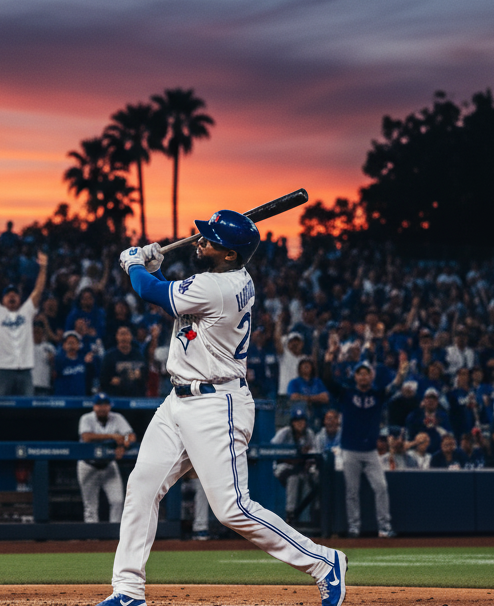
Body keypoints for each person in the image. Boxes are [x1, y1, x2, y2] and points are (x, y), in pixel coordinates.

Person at [99, 210, 347, 606]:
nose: (200, 241)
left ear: (231, 255)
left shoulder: (219, 286)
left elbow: (153, 294)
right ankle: (128, 589)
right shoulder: (228, 278)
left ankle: (324, 562)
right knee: (142, 487)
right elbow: (177, 296)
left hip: (216, 404)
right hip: (179, 400)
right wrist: (155, 269)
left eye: (210, 240)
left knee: (233, 508)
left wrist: (135, 265)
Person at [322, 348, 406, 540]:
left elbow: (395, 386)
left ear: (371, 376)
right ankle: (354, 528)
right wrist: (327, 361)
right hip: (350, 449)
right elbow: (328, 381)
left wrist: (401, 371)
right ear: (355, 376)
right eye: (359, 373)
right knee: (352, 492)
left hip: (370, 451)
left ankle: (384, 527)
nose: (363, 377)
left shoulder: (377, 394)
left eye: (366, 373)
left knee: (381, 487)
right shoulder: (346, 393)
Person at [0, 249, 48, 396]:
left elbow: (38, 290)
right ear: (3, 299)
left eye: (15, 295)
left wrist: (43, 267)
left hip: (25, 368)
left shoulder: (26, 311)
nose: (12, 296)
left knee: (27, 407)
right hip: (2, 368)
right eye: (8, 295)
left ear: (20, 299)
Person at [77, 392, 135, 523]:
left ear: (110, 406)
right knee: (90, 507)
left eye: (105, 404)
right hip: (88, 466)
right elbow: (86, 437)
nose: (102, 408)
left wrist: (123, 445)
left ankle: (115, 533)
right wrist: (113, 436)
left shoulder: (117, 418)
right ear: (94, 406)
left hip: (109, 465)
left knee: (117, 501)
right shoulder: (86, 418)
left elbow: (130, 436)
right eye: (99, 405)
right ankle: (92, 535)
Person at [271, 409, 319, 526]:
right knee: (294, 479)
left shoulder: (309, 434)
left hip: (301, 467)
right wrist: (289, 455)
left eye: (302, 421)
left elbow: (315, 452)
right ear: (292, 422)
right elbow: (272, 449)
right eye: (297, 421)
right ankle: (290, 513)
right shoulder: (285, 432)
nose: (300, 424)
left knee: (315, 478)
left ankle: (313, 514)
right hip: (284, 466)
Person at [101, 325, 148, 397]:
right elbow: (104, 380)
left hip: (136, 396)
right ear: (116, 336)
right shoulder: (109, 356)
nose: (124, 337)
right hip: (115, 396)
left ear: (131, 336)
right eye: (121, 334)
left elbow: (145, 376)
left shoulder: (139, 355)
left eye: (126, 334)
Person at [287, 357, 330, 427]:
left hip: (317, 413)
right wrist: (316, 398)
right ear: (299, 368)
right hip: (301, 414)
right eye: (304, 364)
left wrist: (307, 398)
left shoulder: (318, 381)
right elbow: (293, 397)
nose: (306, 365)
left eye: (308, 364)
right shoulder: (294, 382)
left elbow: (325, 397)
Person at [54, 330, 93, 396]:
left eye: (73, 343)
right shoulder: (59, 361)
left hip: (80, 398)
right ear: (64, 345)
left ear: (78, 345)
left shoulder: (84, 360)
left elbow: (90, 378)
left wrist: (89, 364)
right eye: (69, 343)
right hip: (63, 398)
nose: (71, 346)